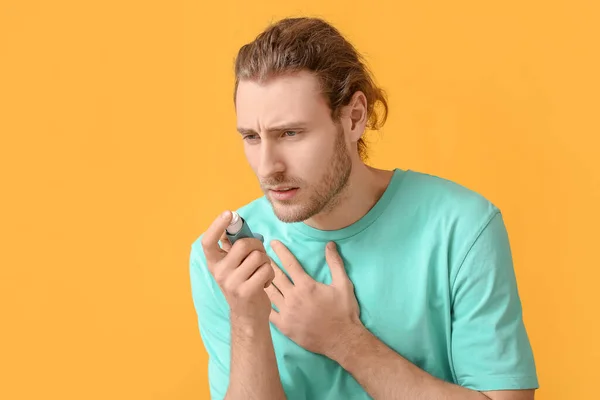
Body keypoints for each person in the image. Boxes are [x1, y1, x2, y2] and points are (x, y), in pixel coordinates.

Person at [189, 17, 539, 400]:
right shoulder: (229, 264)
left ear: (354, 117)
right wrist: (247, 321)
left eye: (290, 133)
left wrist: (344, 341)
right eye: (252, 137)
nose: (268, 166)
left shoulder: (462, 227)